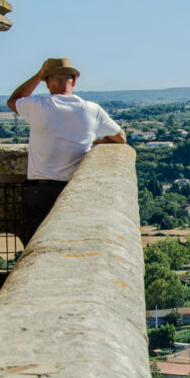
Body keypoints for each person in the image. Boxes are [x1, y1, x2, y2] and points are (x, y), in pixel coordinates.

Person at [7, 57, 126, 240]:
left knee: (36, 244)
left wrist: (38, 76)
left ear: (47, 83)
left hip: (39, 191)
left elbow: (14, 100)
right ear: (74, 81)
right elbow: (120, 138)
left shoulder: (37, 106)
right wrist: (93, 139)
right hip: (72, 190)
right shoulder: (91, 110)